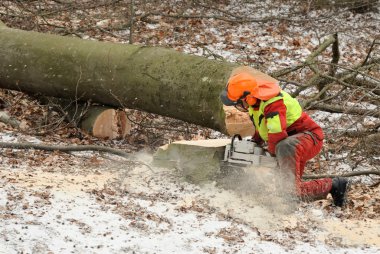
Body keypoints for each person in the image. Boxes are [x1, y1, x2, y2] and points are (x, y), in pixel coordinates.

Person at [220, 66, 348, 207]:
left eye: (239, 103)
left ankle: (334, 184)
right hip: (291, 142)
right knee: (287, 191)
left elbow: (276, 134)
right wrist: (254, 142)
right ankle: (328, 188)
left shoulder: (273, 103)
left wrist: (270, 158)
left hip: (308, 138)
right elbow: (263, 126)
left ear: (248, 97)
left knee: (290, 191)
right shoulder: (256, 102)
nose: (239, 107)